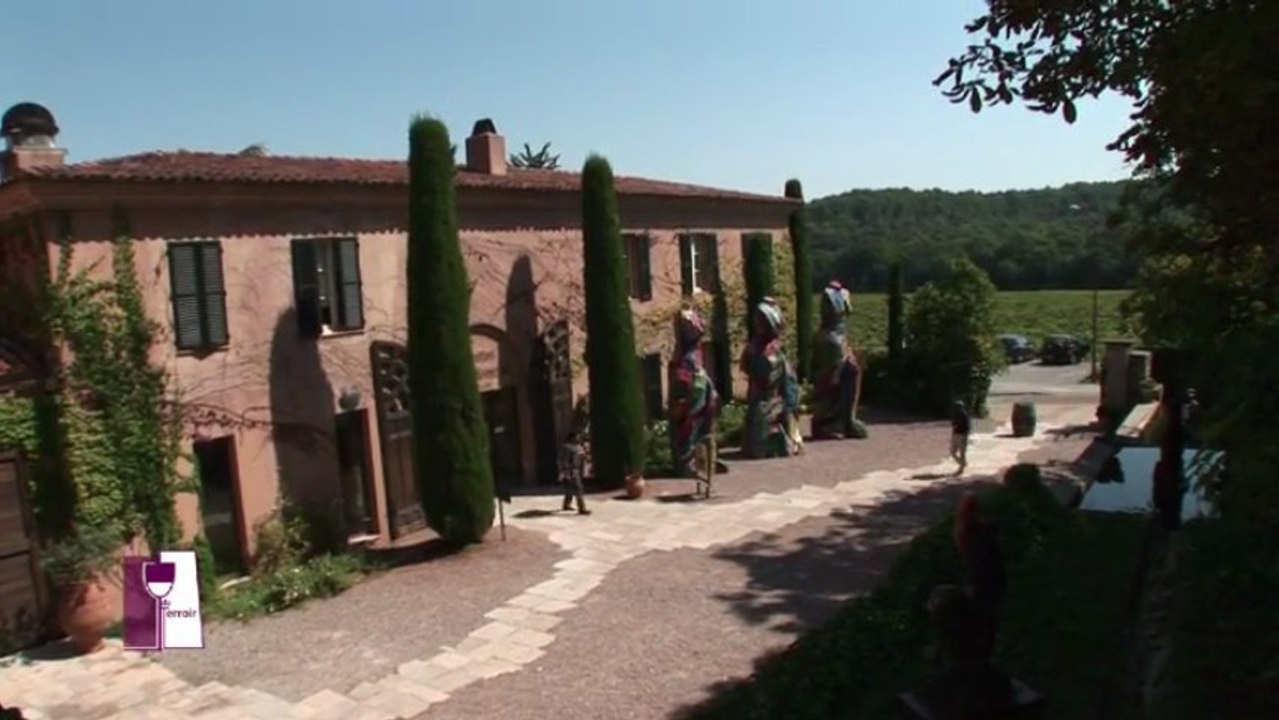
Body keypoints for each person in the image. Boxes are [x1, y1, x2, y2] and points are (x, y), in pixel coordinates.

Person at [740, 298, 801, 459]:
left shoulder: (776, 349)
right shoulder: (754, 346)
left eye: (761, 320)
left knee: (765, 418)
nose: (757, 323)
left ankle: (780, 442)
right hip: (757, 396)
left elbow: (780, 378)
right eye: (757, 319)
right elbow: (745, 366)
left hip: (773, 398)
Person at [667, 306, 719, 479]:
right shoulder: (688, 354)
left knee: (694, 431)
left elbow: (697, 377)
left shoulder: (693, 354)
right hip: (692, 400)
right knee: (690, 432)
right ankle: (691, 463)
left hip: (697, 401)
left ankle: (696, 464)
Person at [810, 281, 866, 440]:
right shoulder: (828, 295)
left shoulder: (843, 293)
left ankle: (845, 419)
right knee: (830, 381)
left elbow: (846, 313)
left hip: (839, 337)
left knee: (851, 372)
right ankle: (827, 422)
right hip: (831, 340)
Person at [558, 430, 590, 515]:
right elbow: (564, 461)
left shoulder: (575, 447)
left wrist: (583, 454)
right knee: (578, 488)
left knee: (569, 488)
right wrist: (567, 472)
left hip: (573, 469)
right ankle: (582, 508)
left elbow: (581, 457)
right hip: (572, 470)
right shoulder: (568, 447)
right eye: (577, 437)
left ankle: (566, 505)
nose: (578, 439)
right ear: (572, 438)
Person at [950, 400, 971, 475]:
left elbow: (967, 427)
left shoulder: (964, 415)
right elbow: (953, 424)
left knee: (962, 453)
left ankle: (961, 468)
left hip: (962, 435)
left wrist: (964, 435)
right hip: (956, 434)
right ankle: (962, 464)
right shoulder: (955, 415)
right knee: (953, 452)